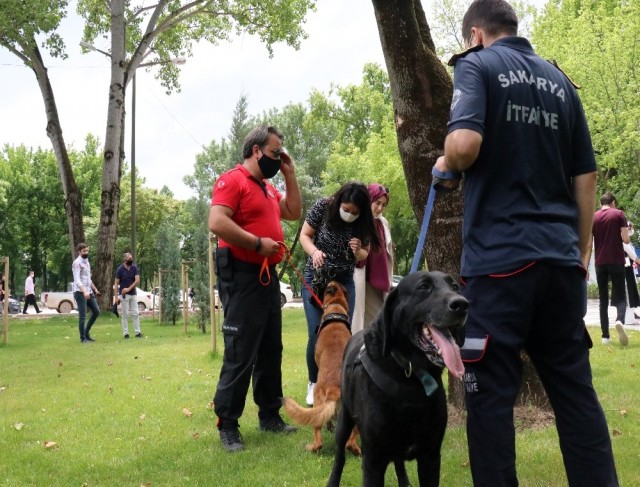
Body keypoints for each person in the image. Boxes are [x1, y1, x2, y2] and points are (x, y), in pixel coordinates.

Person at [433, 1, 619, 485]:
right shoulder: (560, 81)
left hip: (499, 266)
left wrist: (448, 162)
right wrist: (578, 256)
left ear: (475, 34)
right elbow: (586, 174)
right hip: (560, 264)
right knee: (576, 394)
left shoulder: (476, 65)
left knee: (490, 396)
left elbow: (465, 144)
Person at [209, 125, 302, 453]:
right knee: (241, 350)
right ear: (256, 150)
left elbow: (293, 212)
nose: (279, 157)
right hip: (241, 275)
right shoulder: (232, 180)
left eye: (282, 154)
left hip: (266, 277)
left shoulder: (267, 188)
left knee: (269, 349)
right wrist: (256, 243)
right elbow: (217, 221)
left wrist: (288, 174)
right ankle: (228, 423)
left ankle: (269, 415)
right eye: (276, 152)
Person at [299, 181, 381, 406]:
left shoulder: (364, 221)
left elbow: (366, 252)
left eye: (355, 212)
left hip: (344, 284)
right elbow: (305, 236)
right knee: (318, 334)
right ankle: (314, 383)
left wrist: (358, 251)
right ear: (338, 203)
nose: (349, 214)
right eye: (346, 209)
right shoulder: (323, 207)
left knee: (344, 337)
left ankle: (342, 384)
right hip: (316, 280)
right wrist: (314, 252)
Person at [352, 183, 394, 334]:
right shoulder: (356, 219)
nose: (380, 208)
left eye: (383, 205)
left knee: (379, 321)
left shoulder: (383, 223)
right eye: (377, 203)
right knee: (358, 323)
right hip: (359, 278)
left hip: (379, 282)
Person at [592, 192, 630, 346]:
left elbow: (589, 242)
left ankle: (605, 336)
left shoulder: (594, 217)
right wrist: (627, 232)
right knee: (620, 295)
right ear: (613, 202)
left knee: (602, 298)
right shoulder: (619, 214)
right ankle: (619, 320)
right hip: (616, 260)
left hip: (600, 262)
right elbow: (626, 239)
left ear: (602, 203)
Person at [72, 243, 101, 343]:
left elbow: (88, 279)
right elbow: (77, 280)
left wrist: (95, 289)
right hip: (80, 292)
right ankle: (83, 338)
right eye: (84, 251)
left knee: (96, 311)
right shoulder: (77, 263)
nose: (86, 252)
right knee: (83, 315)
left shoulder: (87, 262)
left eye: (87, 250)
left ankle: (86, 332)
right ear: (79, 251)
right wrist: (84, 291)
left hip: (89, 291)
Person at [114, 252, 142, 339]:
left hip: (133, 294)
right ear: (125, 260)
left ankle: (137, 332)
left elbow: (137, 280)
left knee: (135, 313)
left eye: (131, 258)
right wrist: (116, 298)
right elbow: (116, 283)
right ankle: (125, 333)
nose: (131, 260)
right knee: (125, 314)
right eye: (130, 259)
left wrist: (128, 289)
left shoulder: (134, 268)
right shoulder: (120, 269)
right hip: (123, 296)